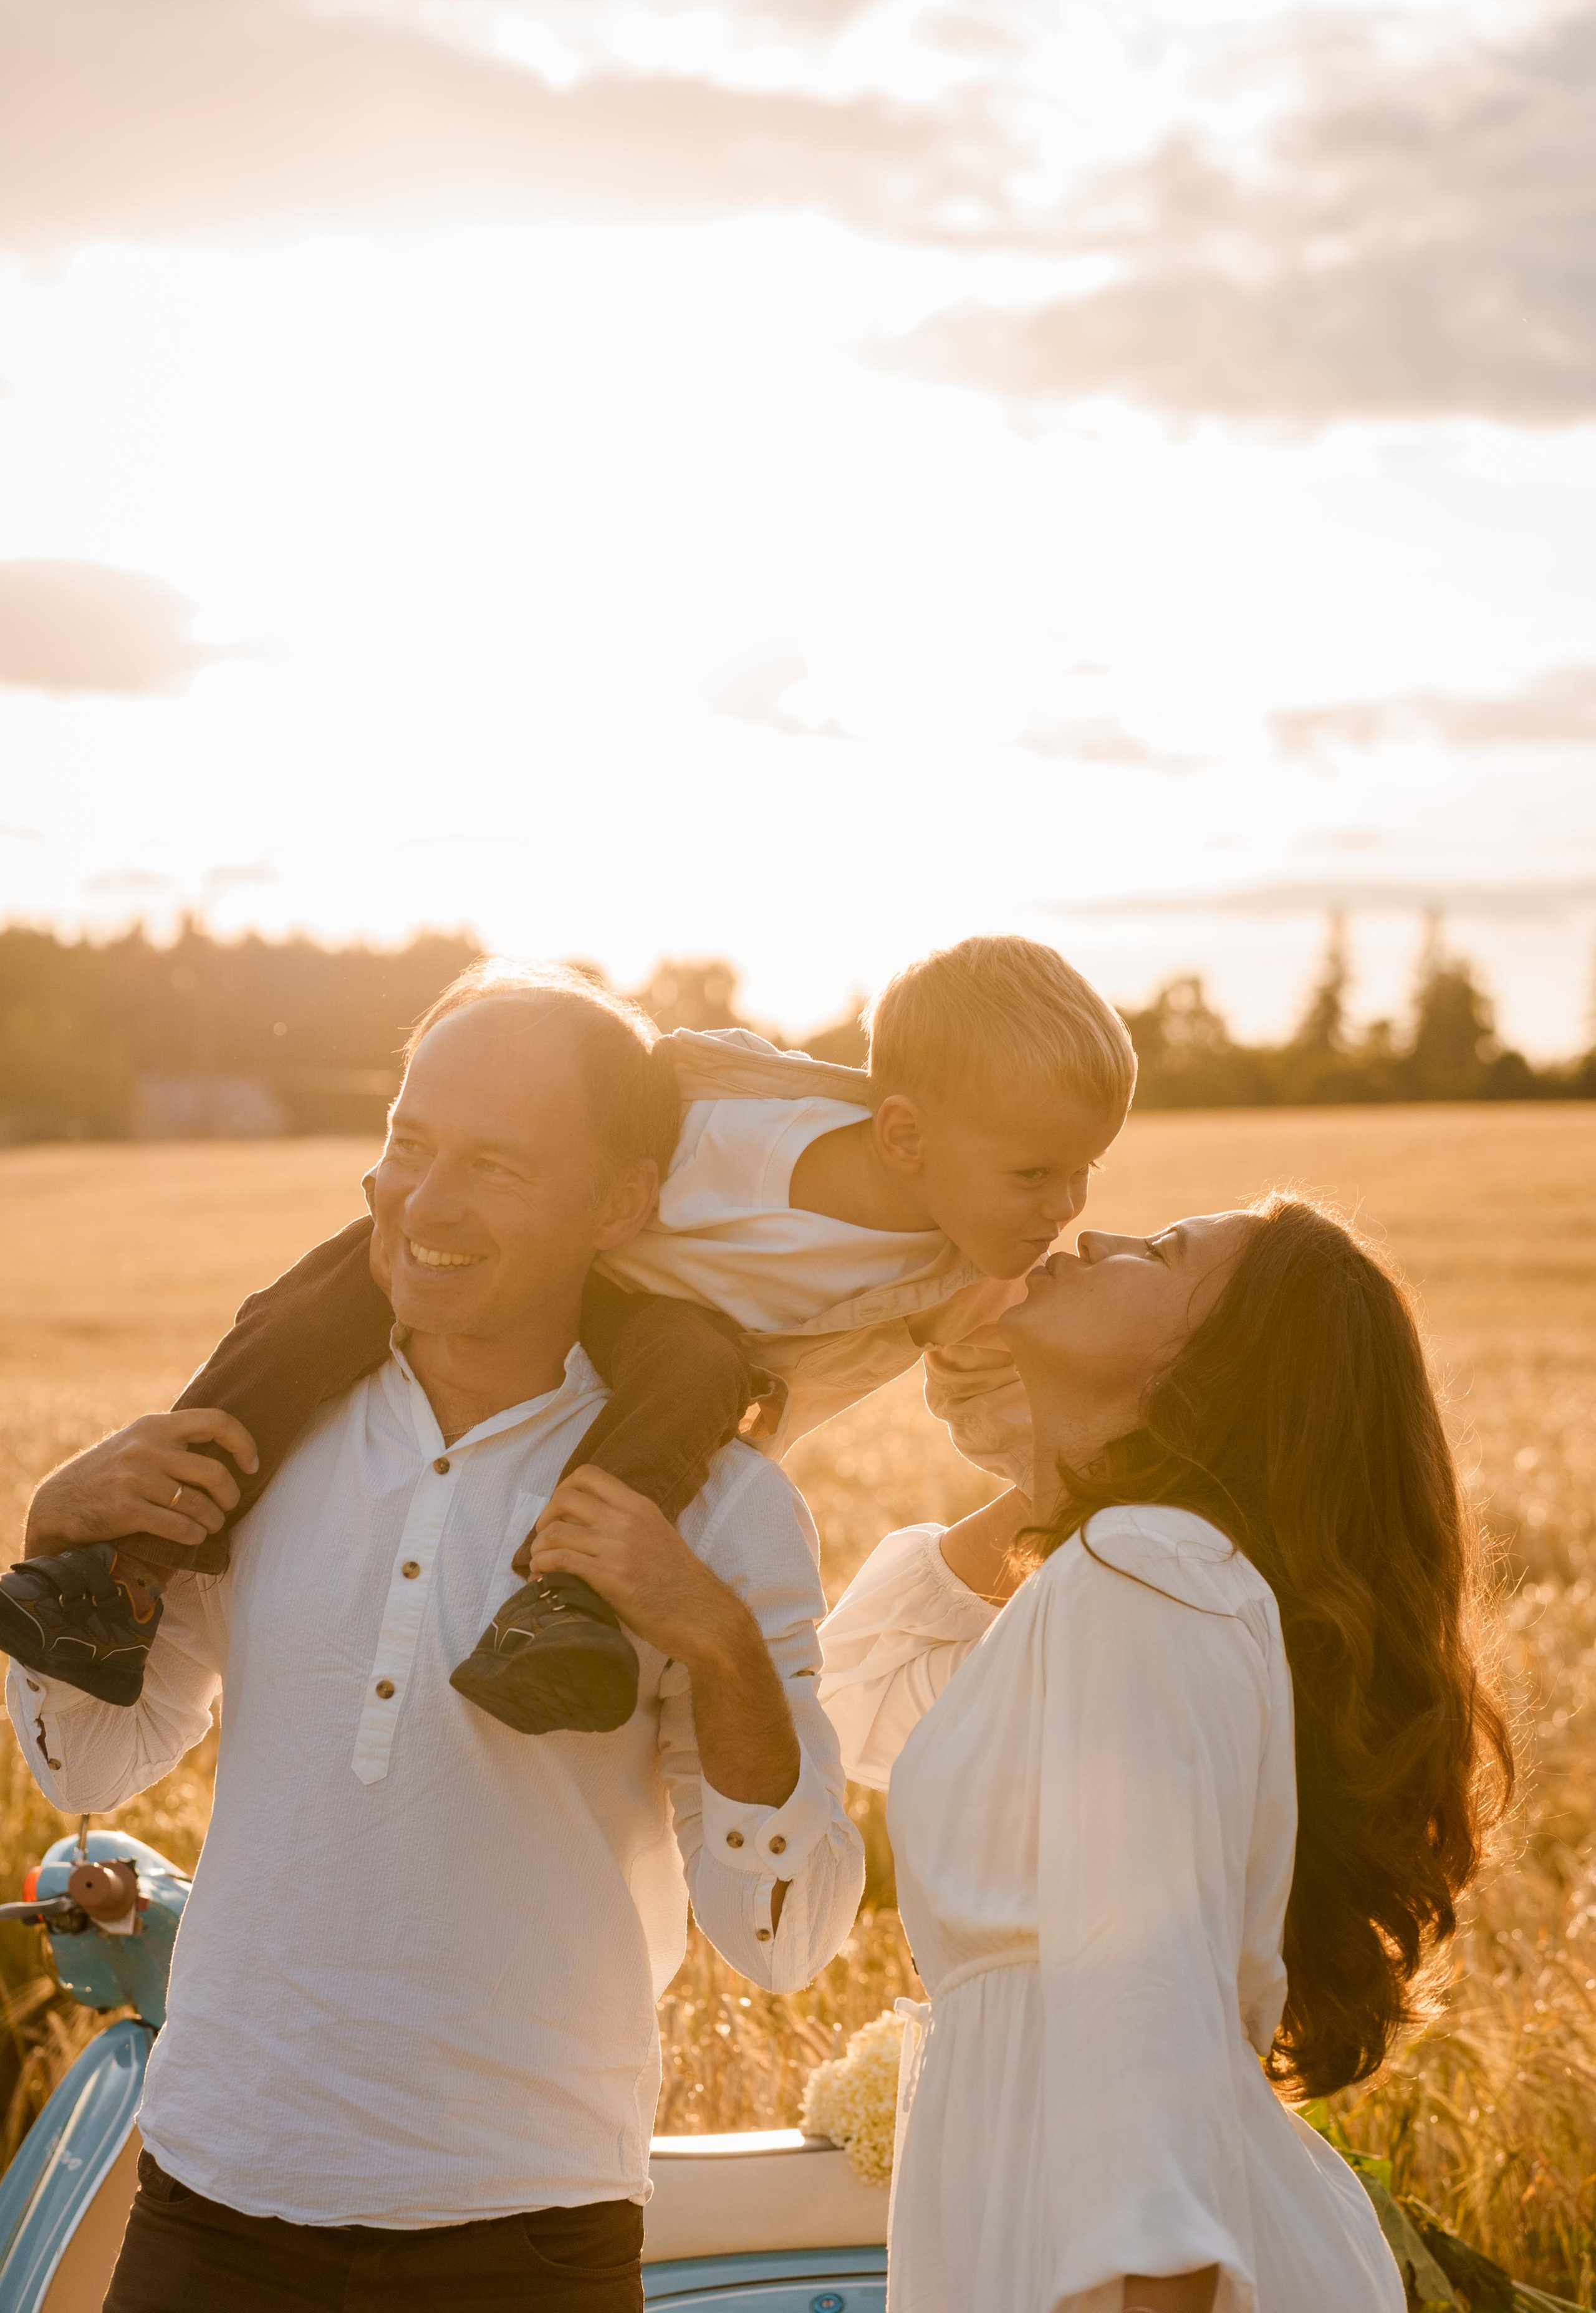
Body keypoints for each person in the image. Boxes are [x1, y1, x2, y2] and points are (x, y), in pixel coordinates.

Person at [7, 979, 863, 2311]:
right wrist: (50, 1535)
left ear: (618, 1207)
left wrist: (716, 1640)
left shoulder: (725, 1510)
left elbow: (782, 1939)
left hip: (526, 2227)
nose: (425, 1201)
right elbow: (93, 1764)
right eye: (410, 1142)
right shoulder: (261, 1439)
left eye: (495, 1165)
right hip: (210, 2199)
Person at [4, 936, 1135, 1737]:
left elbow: (1007, 1411)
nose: (1069, 1203)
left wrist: (1100, 1483)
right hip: (520, 1261)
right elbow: (567, 1084)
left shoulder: (959, 1279)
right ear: (901, 1133)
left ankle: (560, 1611)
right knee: (320, 1300)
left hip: (654, 1351)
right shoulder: (737, 1095)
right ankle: (121, 1572)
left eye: (1086, 1170)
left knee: (699, 1360)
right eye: (1036, 1173)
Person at [819, 1195, 1512, 2313]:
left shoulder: (1146, 1570)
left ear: (1218, 1370)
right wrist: (1074, 1468)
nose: (1096, 1238)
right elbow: (857, 1698)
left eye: (1165, 1252)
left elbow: (1145, 2006)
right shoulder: (1127, 1569)